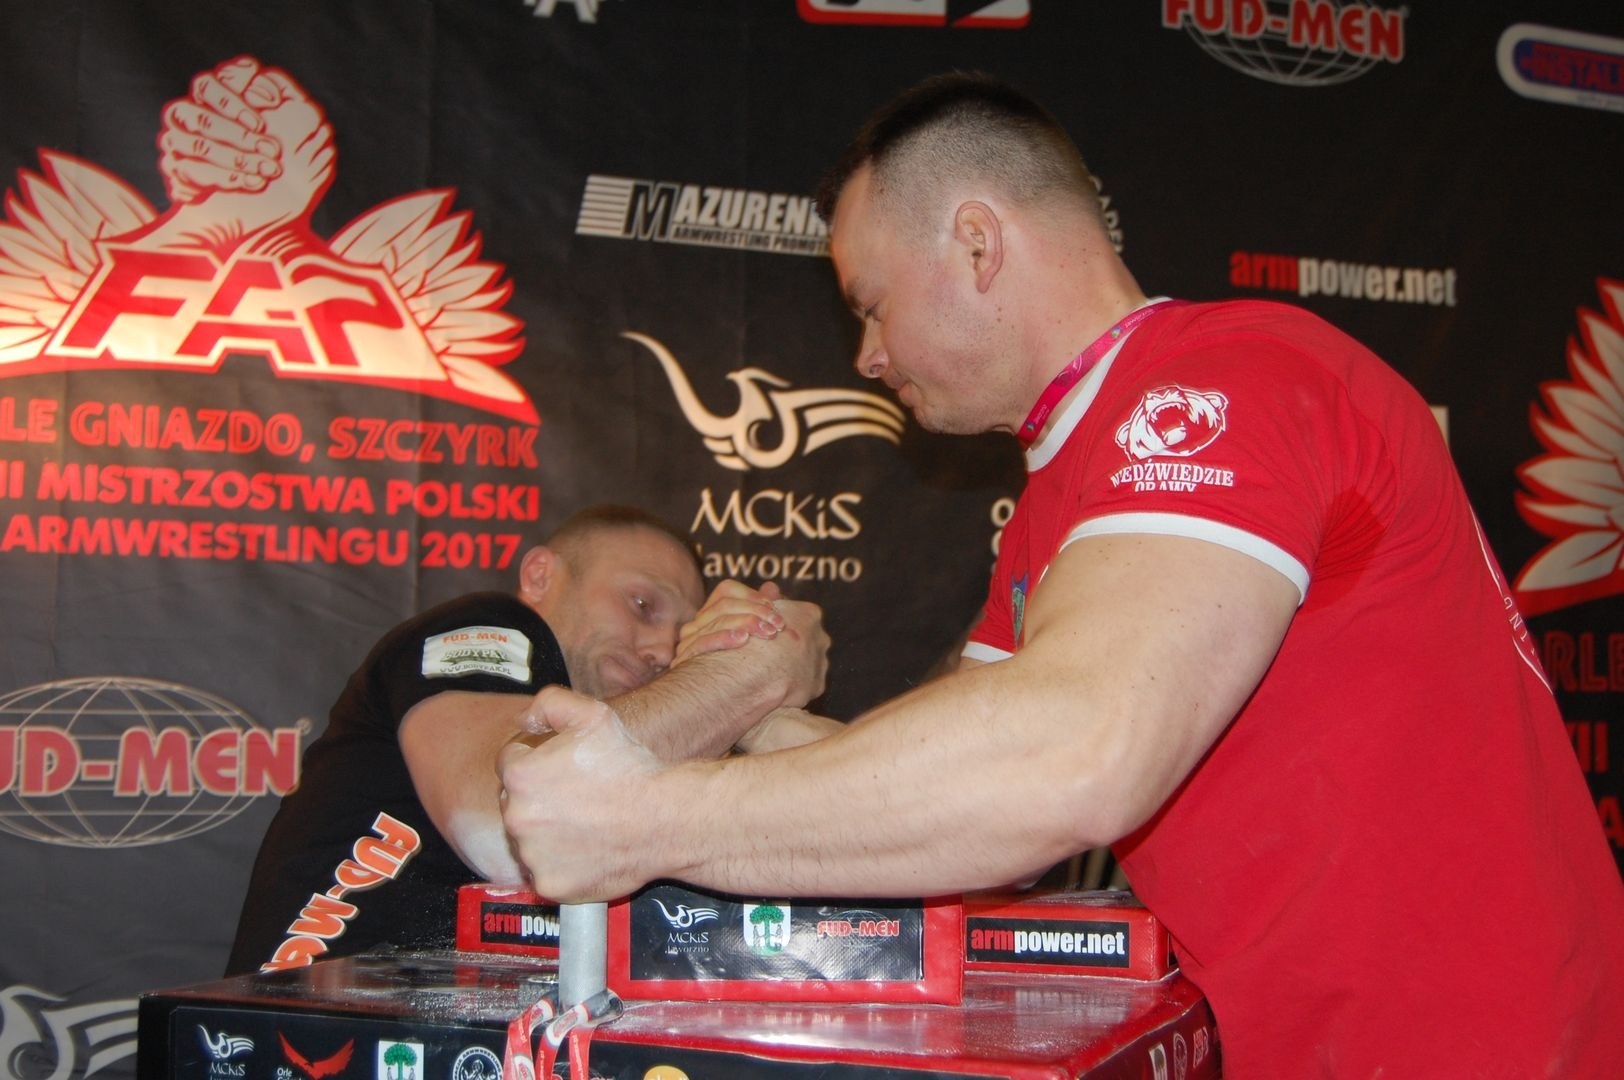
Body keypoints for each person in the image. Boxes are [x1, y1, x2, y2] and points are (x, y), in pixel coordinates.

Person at [497, 75, 1624, 1076]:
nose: (866, 356)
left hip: (1488, 1046)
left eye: (870, 305)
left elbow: (1073, 754)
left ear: (977, 244)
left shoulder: (1224, 381)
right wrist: (746, 701)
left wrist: (649, 819)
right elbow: (948, 792)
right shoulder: (1059, 505)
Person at [225, 504, 830, 975]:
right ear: (541, 575)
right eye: (643, 604)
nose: (658, 650)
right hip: (302, 1032)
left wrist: (759, 712)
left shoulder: (643, 745)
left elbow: (852, 813)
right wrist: (748, 673)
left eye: (680, 638)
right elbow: (506, 823)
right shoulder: (488, 625)